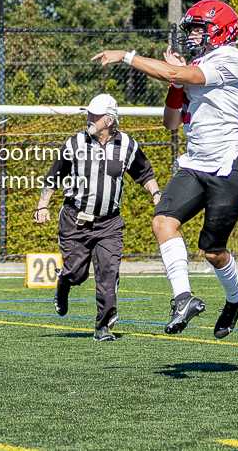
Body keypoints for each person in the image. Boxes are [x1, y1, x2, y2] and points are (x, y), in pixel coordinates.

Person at [91, 0, 238, 338]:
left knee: (213, 252)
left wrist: (127, 56)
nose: (193, 35)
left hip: (229, 164)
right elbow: (170, 123)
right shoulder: (200, 64)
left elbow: (173, 70)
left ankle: (235, 298)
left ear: (221, 30)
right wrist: (176, 86)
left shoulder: (233, 59)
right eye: (192, 29)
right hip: (196, 163)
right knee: (162, 222)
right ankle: (183, 298)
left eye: (200, 28)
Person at [34, 93, 161, 341]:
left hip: (109, 223)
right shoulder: (74, 144)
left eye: (95, 115)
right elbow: (54, 177)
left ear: (110, 120)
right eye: (89, 113)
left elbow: (144, 173)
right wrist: (42, 206)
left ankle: (103, 326)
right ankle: (64, 283)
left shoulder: (127, 145)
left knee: (108, 273)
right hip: (75, 219)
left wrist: (157, 195)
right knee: (75, 273)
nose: (89, 118)